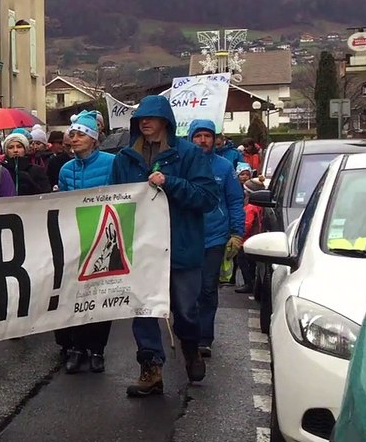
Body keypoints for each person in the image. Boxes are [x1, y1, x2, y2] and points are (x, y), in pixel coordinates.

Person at [111, 96, 219, 397]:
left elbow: (208, 198)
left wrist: (170, 182)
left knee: (185, 311)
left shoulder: (189, 155)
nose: (145, 122)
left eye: (151, 117)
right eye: (140, 118)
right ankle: (151, 369)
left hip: (181, 248)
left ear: (165, 121)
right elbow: (113, 202)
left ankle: (190, 347)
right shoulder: (124, 159)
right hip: (141, 251)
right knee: (143, 310)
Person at [55, 111, 117, 373]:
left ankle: (97, 350)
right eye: (73, 134)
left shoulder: (112, 163)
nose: (75, 138)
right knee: (74, 295)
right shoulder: (66, 169)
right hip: (75, 240)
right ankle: (77, 347)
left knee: (101, 295)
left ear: (94, 139)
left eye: (81, 134)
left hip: (104, 238)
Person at [188, 120, 245, 359]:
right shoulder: (182, 164)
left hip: (214, 237)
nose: (203, 140)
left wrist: (237, 232)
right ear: (190, 139)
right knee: (187, 290)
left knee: (208, 288)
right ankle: (187, 333)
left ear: (214, 139)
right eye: (198, 136)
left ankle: (204, 338)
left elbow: (234, 200)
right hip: (187, 236)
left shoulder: (223, 167)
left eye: (207, 136)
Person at [235, 166, 263, 294]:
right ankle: (251, 281)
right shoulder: (258, 206)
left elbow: (247, 224)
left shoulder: (250, 207)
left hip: (246, 239)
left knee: (243, 261)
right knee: (251, 262)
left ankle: (248, 283)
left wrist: (240, 234)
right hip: (254, 238)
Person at [0, 131, 49, 196]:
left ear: (25, 149)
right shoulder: (1, 171)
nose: (15, 150)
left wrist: (28, 181)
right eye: (11, 147)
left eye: (19, 147)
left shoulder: (37, 170)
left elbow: (45, 194)